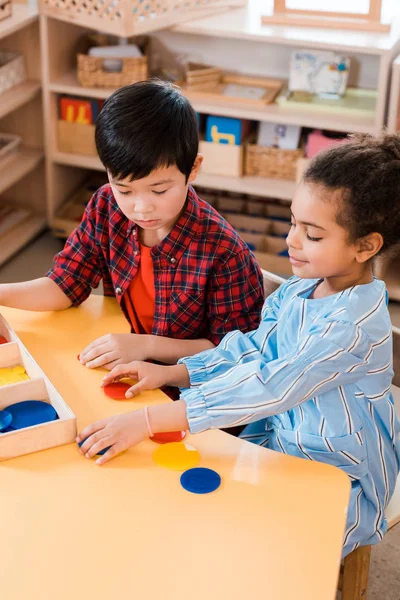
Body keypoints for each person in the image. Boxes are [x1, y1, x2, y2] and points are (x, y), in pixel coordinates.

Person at [78, 133, 400, 556]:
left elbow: (268, 385)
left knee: (250, 551)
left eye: (313, 235)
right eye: (292, 223)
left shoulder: (351, 327)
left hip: (339, 475)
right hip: (275, 439)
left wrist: (149, 420)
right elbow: (250, 350)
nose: (292, 241)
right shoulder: (301, 289)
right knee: (185, 514)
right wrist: (171, 372)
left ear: (366, 246)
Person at [0, 80, 264, 369]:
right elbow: (65, 285)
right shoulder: (107, 206)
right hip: (126, 360)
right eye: (124, 190)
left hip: (187, 384)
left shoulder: (225, 252)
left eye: (159, 190)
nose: (141, 207)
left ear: (193, 169)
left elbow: (231, 351)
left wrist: (146, 345)